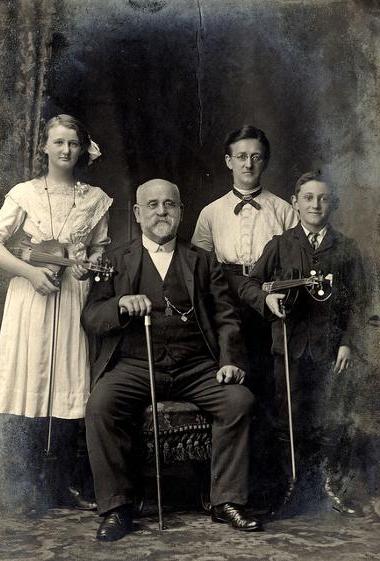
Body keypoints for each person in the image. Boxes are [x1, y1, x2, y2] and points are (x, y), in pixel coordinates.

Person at [82, 178, 262, 542]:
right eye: (152, 205)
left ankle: (226, 500)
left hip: (196, 366)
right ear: (137, 213)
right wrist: (118, 304)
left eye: (169, 205)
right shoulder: (115, 260)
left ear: (181, 212)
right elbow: (91, 317)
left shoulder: (202, 260)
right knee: (100, 406)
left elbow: (226, 315)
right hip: (135, 365)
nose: (161, 211)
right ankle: (118, 508)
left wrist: (230, 361)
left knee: (238, 400)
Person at [0, 114, 113, 511]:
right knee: (31, 378)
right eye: (58, 142)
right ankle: (26, 485)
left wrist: (83, 265)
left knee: (70, 383)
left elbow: (99, 249)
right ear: (44, 146)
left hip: (72, 296)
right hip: (32, 297)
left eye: (72, 143)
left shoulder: (95, 199)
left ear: (82, 148)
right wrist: (30, 273)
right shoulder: (23, 193)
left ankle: (64, 482)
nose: (65, 150)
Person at [238, 171, 366, 514]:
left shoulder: (346, 248)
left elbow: (358, 302)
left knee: (328, 416)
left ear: (332, 204)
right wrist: (267, 300)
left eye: (323, 198)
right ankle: (289, 486)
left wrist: (348, 343)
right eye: (308, 197)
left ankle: (327, 485)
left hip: (330, 351)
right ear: (295, 203)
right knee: (288, 416)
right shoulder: (280, 245)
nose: (315, 204)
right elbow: (249, 285)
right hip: (289, 346)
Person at [192, 125, 298, 506]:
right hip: (226, 305)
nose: (248, 163)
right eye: (241, 156)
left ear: (264, 161)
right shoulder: (211, 213)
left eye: (256, 156)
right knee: (230, 388)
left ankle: (264, 488)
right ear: (228, 161)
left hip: (268, 304)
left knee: (267, 392)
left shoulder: (283, 210)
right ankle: (218, 488)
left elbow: (292, 261)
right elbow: (200, 270)